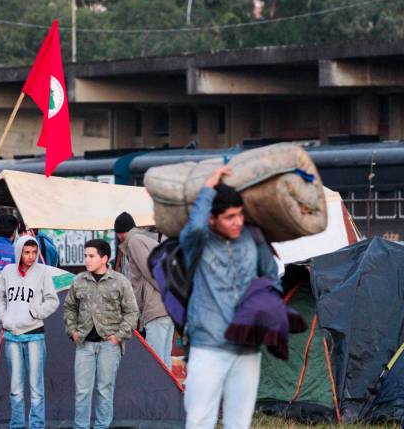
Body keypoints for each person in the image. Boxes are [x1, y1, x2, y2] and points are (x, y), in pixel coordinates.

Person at [178, 166, 280, 429]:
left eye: (240, 214)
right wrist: (208, 189)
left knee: (239, 423)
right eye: (229, 217)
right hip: (208, 345)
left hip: (248, 347)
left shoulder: (252, 237)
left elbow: (271, 275)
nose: (238, 222)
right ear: (212, 220)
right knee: (199, 421)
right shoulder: (197, 243)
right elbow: (195, 228)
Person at [63, 239, 139, 429]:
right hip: (84, 344)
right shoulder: (79, 280)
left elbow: (132, 312)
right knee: (82, 391)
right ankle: (81, 427)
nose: (87, 260)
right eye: (85, 256)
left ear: (104, 258)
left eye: (91, 256)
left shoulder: (120, 282)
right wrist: (72, 331)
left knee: (105, 390)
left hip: (109, 345)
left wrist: (118, 336)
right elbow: (69, 307)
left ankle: (101, 426)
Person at [0, 235, 59, 429]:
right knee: (16, 388)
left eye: (34, 252)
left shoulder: (43, 271)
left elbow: (52, 300)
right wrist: (4, 317)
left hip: (35, 334)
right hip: (12, 335)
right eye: (26, 252)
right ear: (18, 252)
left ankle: (37, 426)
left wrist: (35, 313)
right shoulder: (7, 271)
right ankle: (17, 425)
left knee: (36, 388)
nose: (30, 256)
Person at [114, 212, 174, 368]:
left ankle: (158, 386)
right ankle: (166, 386)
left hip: (157, 309)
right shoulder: (147, 239)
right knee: (164, 359)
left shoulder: (134, 241)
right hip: (166, 310)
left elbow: (151, 271)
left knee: (154, 362)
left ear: (120, 233)